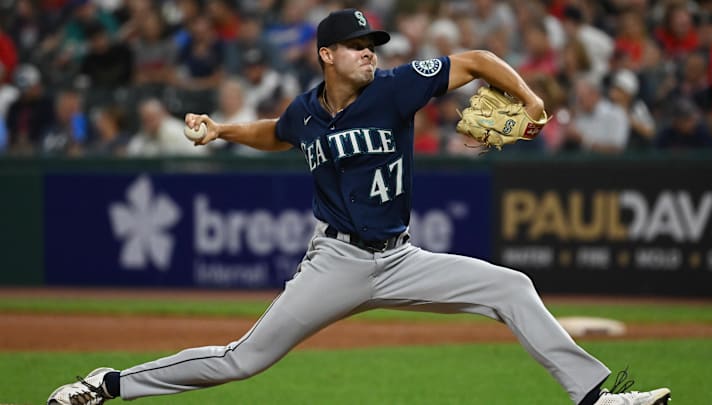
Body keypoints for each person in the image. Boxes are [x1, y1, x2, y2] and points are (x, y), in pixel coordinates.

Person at [47, 9, 671, 405]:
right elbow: (278, 132)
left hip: (402, 258)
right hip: (336, 262)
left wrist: (531, 101)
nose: (369, 50)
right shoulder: (307, 109)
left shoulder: (397, 87)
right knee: (243, 360)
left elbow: (477, 61)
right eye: (356, 45)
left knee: (511, 286)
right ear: (327, 54)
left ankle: (595, 396)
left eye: (372, 42)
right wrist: (223, 130)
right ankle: (108, 385)